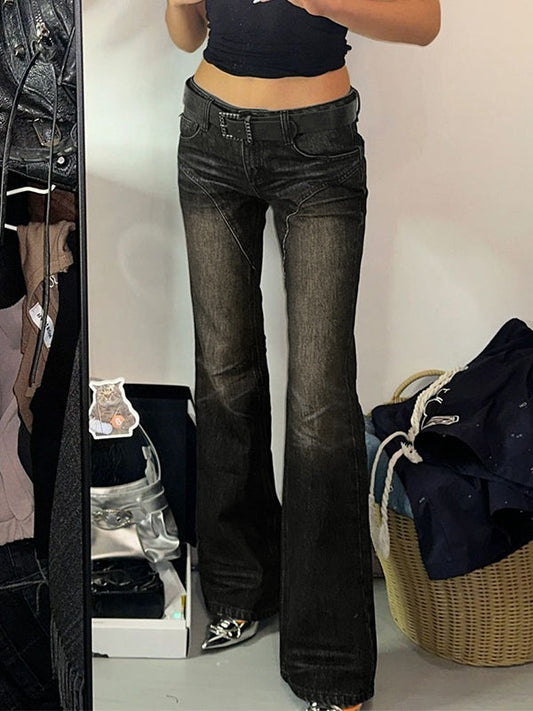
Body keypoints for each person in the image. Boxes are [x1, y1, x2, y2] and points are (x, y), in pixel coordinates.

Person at [165, 2, 441, 710]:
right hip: (208, 133)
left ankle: (328, 661)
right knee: (223, 374)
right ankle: (240, 587)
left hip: (317, 144)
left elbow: (423, 22)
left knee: (319, 399)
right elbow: (186, 34)